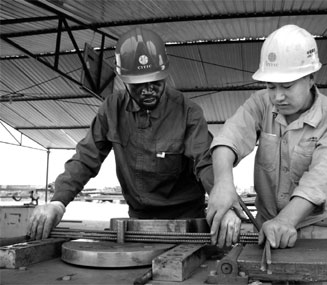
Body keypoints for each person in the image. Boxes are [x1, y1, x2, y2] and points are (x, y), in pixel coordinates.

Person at [27, 27, 214, 240]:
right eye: (138, 85)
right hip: (138, 220)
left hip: (187, 220)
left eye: (155, 82)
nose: (148, 90)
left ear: (165, 74)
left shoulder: (187, 111)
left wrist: (221, 199)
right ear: (123, 79)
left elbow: (206, 162)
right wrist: (58, 202)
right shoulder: (111, 109)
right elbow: (85, 158)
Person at [206, 24, 327, 249]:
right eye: (270, 86)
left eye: (286, 86)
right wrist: (223, 183)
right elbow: (230, 137)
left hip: (315, 231)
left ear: (311, 78)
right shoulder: (261, 103)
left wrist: (286, 220)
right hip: (264, 226)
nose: (277, 96)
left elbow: (320, 180)